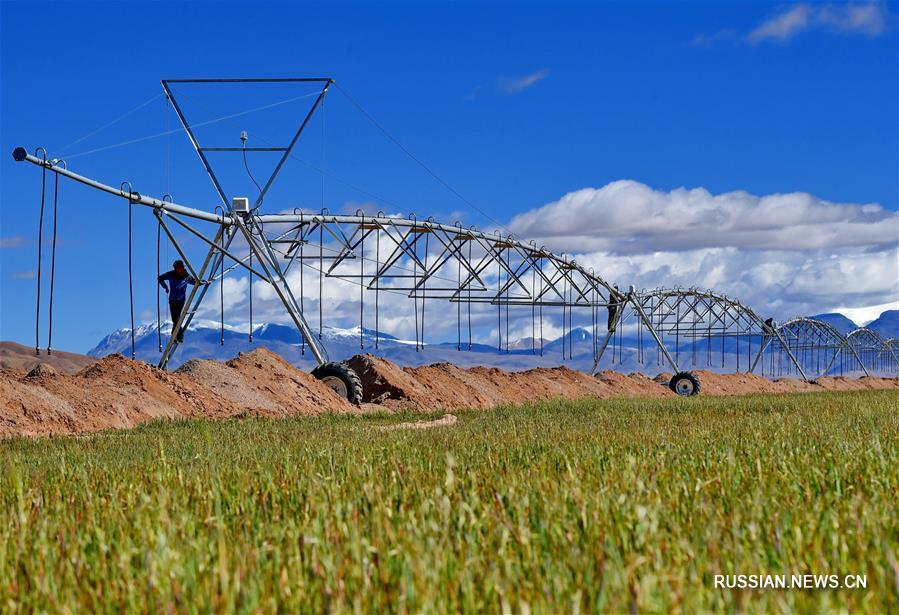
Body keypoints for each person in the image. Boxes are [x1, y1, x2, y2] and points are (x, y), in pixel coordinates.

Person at [158, 260, 206, 343]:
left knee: (177, 319)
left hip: (181, 300)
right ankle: (176, 336)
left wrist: (205, 282)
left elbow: (195, 282)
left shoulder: (187, 277)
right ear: (175, 268)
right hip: (172, 300)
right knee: (175, 319)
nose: (180, 269)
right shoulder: (171, 274)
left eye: (182, 267)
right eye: (178, 268)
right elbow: (160, 278)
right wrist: (165, 287)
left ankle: (179, 336)